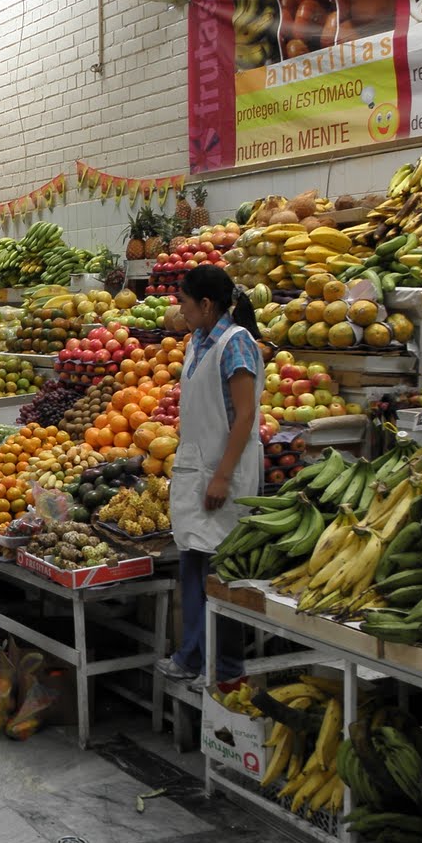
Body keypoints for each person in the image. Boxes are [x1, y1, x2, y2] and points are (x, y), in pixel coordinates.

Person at [157, 264, 261, 687]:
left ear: (205, 304)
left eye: (183, 302)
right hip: (195, 470)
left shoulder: (236, 344)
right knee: (192, 567)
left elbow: (246, 416)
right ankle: (192, 657)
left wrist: (222, 475)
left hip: (223, 474)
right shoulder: (197, 341)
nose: (179, 310)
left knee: (221, 575)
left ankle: (226, 669)